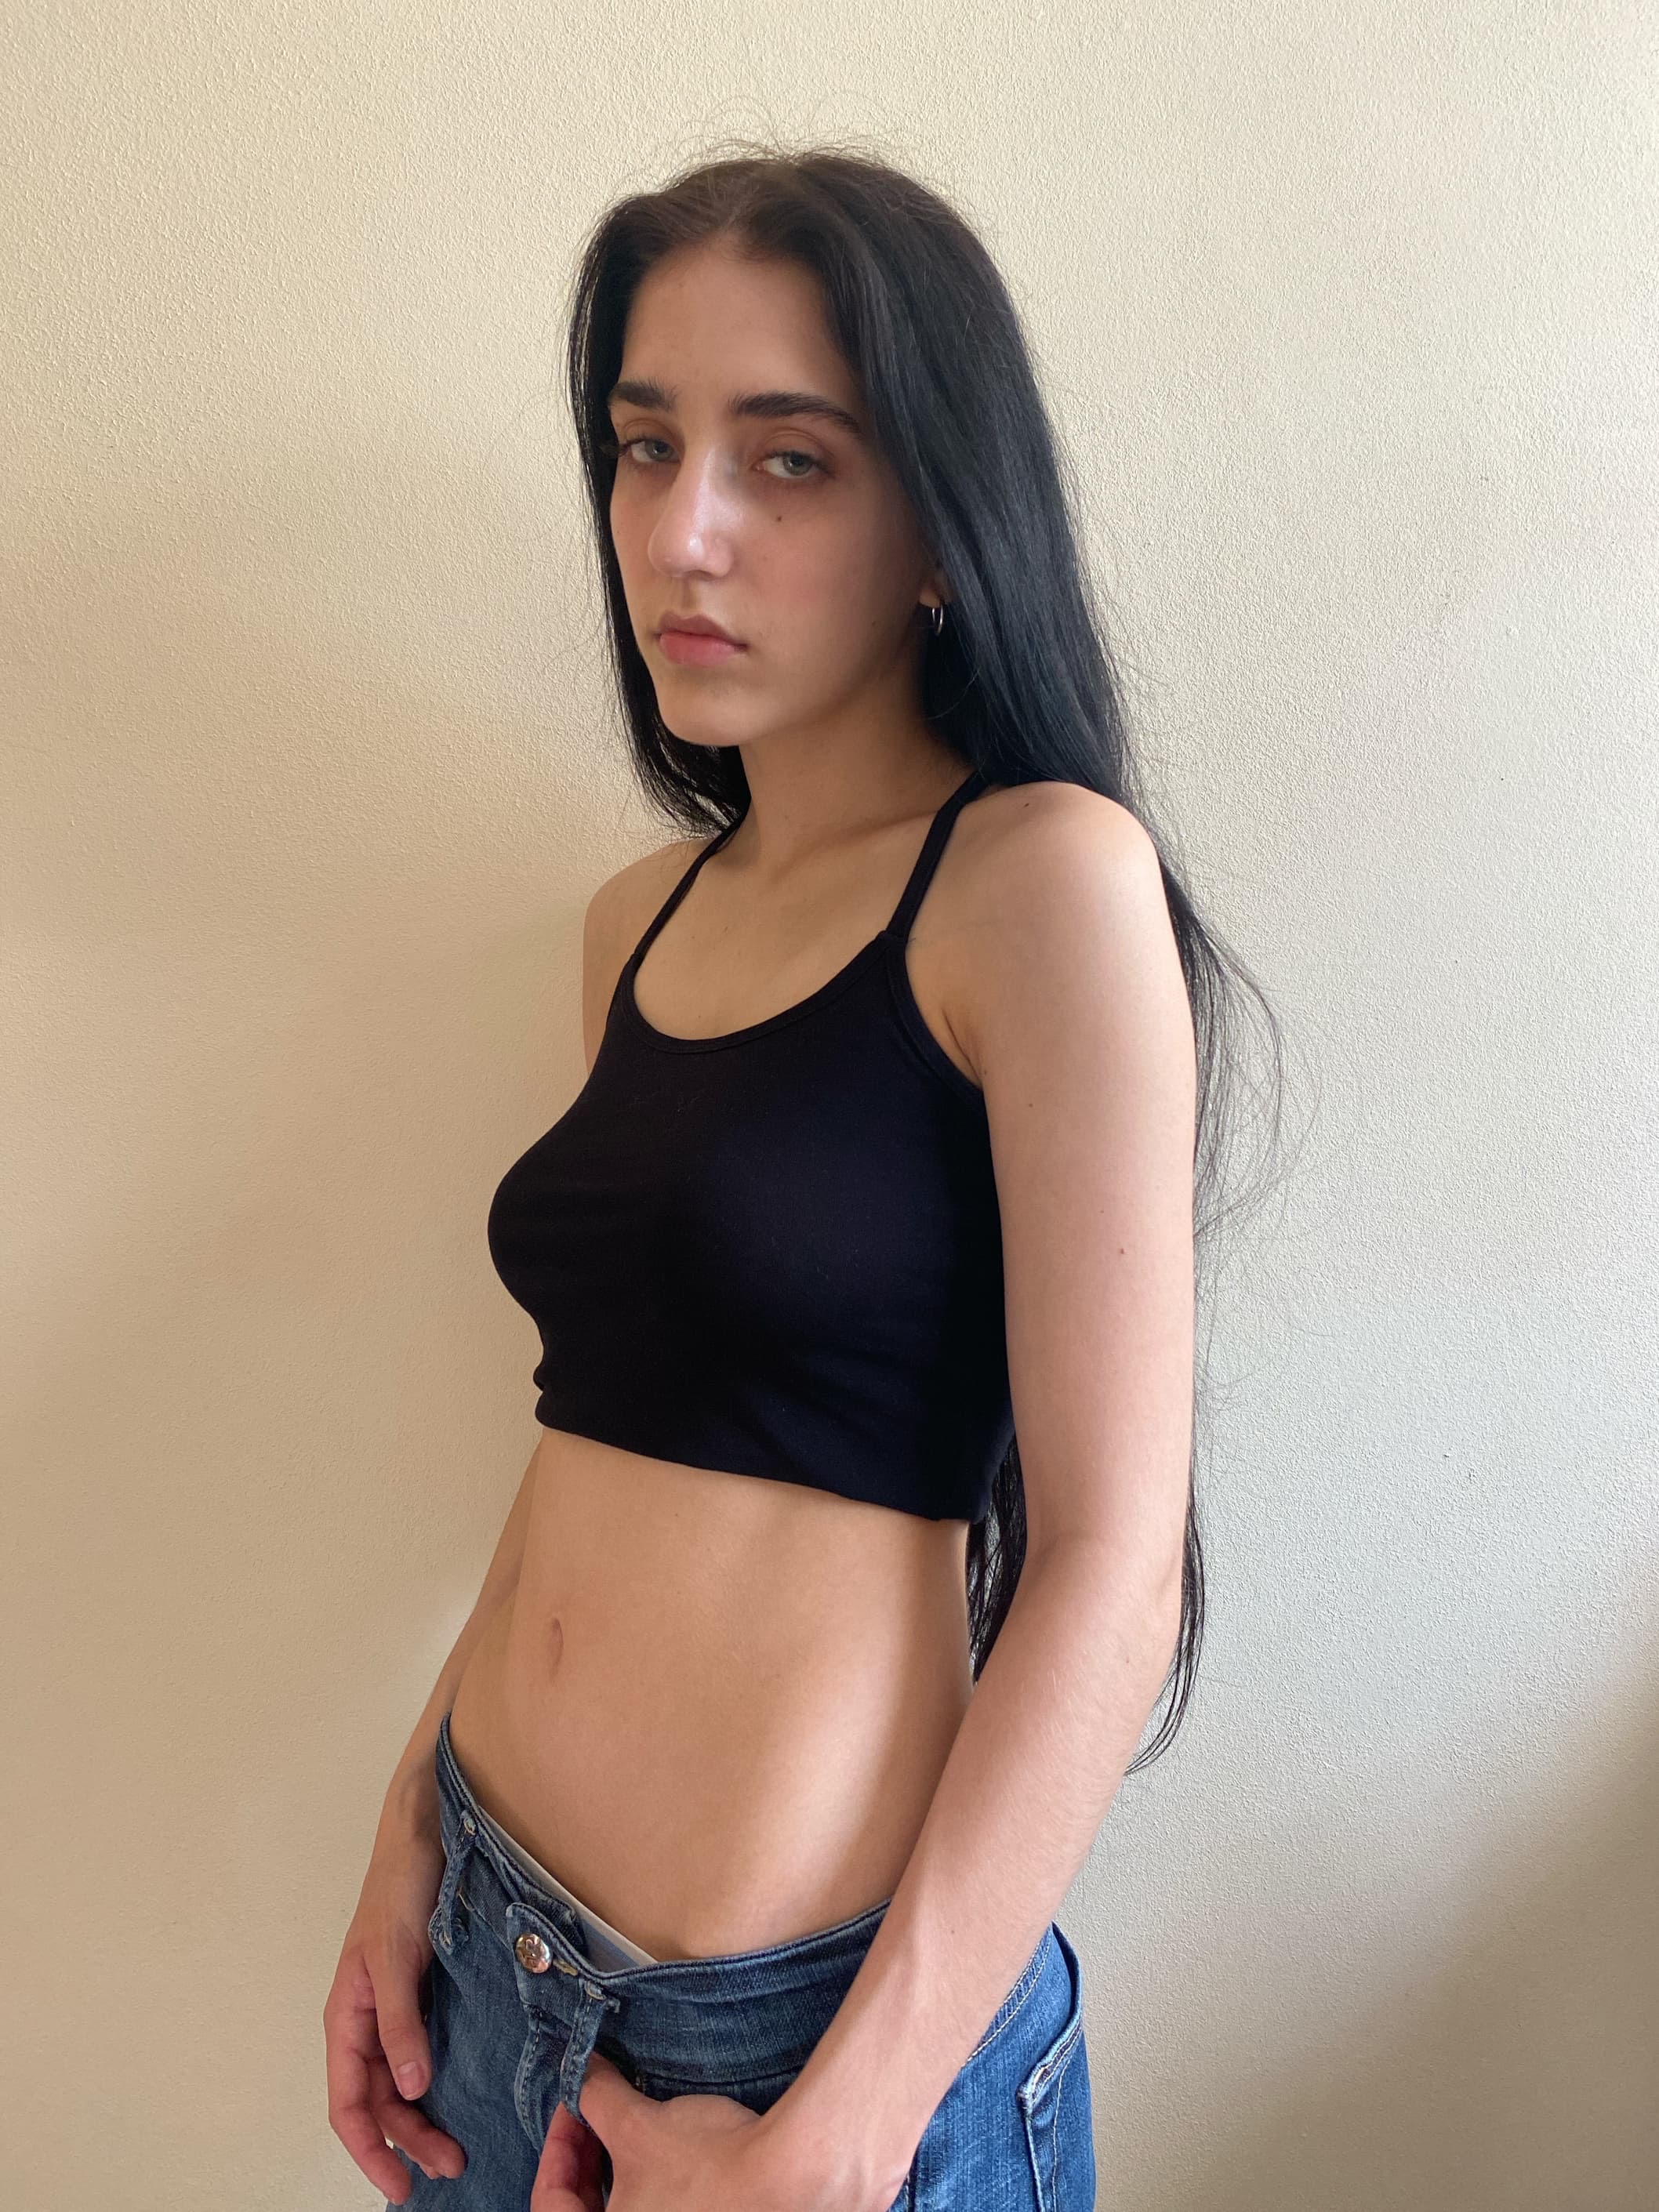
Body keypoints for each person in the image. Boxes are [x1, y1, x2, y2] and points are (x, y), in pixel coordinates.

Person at [325, 143, 1272, 2212]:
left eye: (790, 460)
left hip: (794, 2060)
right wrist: (405, 1824)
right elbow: (596, 1436)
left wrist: (842, 2134)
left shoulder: (1037, 887)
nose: (684, 531)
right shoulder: (635, 923)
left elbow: (1112, 1566)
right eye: (644, 446)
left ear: (940, 524)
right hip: (489, 1954)